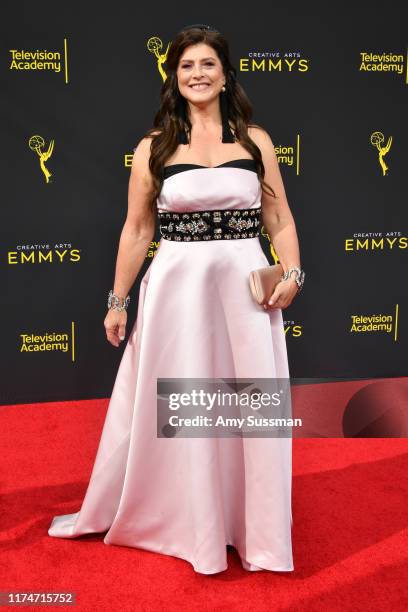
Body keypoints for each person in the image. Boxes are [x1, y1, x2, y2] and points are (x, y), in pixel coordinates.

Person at [48, 23, 304, 574]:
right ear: (173, 77)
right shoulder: (154, 147)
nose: (197, 74)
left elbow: (278, 218)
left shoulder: (255, 141)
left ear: (224, 72)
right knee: (182, 404)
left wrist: (294, 272)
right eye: (186, 66)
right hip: (176, 291)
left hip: (245, 289)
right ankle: (190, 520)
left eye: (207, 64)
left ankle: (252, 525)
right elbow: (137, 232)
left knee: (248, 405)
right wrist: (117, 301)